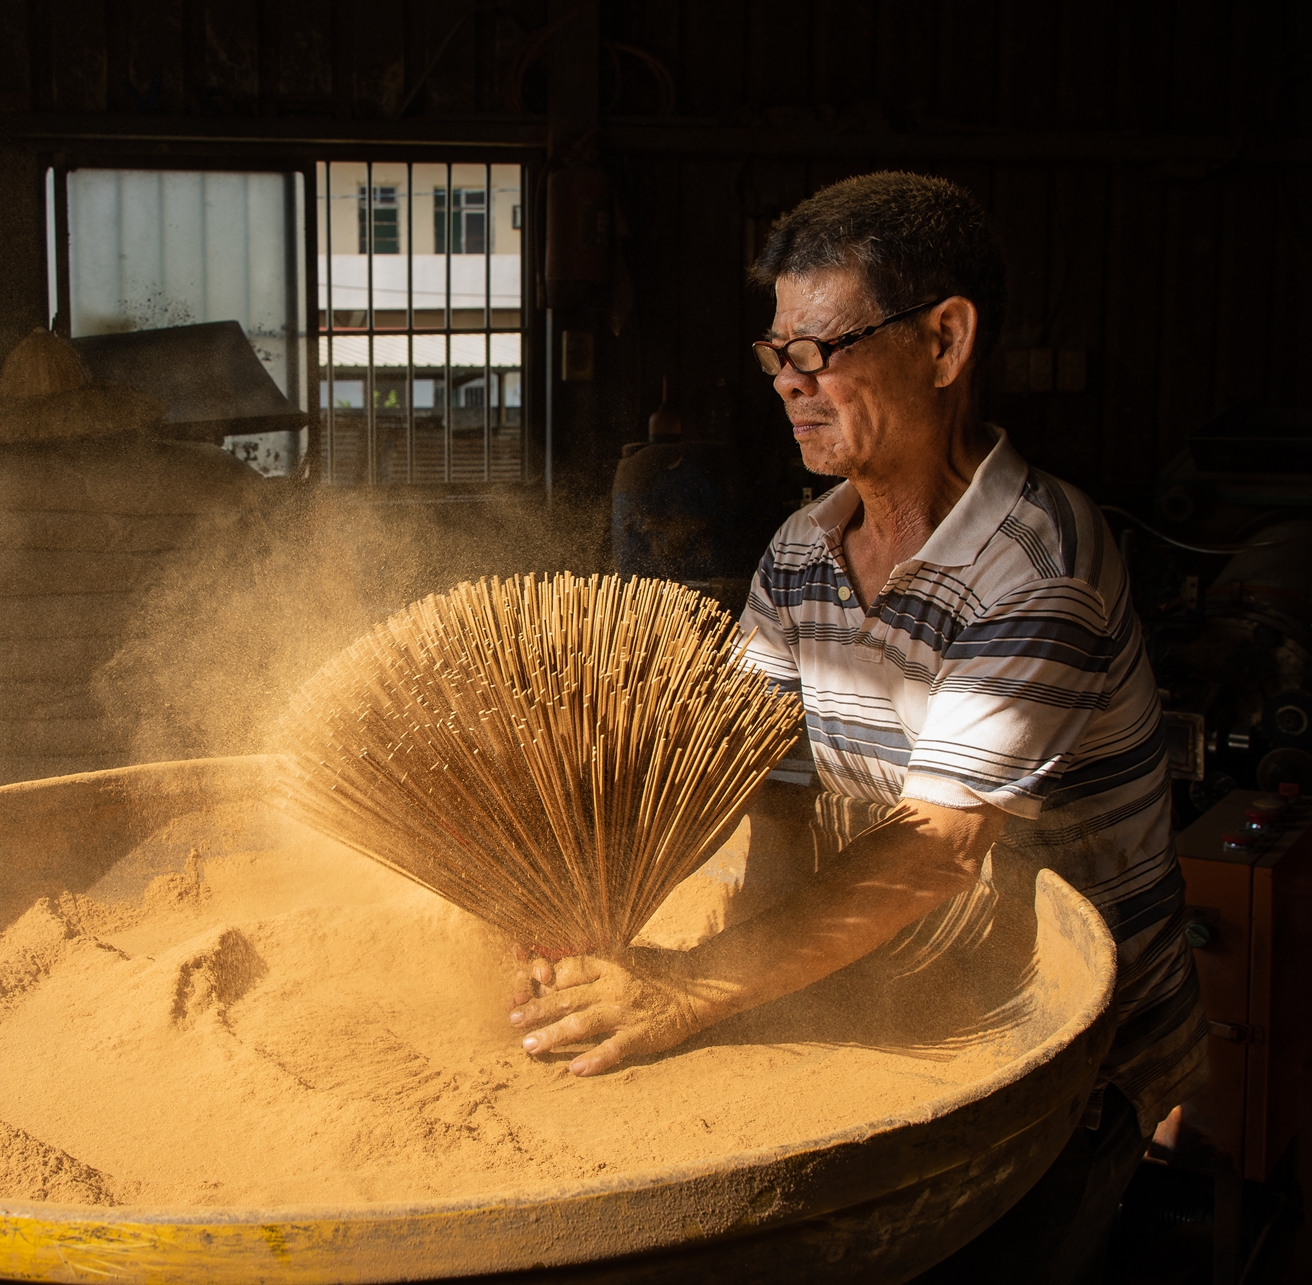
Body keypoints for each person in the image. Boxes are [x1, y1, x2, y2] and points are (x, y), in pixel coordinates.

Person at [509, 171, 1209, 1281]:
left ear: (943, 341)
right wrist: (595, 895)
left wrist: (691, 987)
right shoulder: (800, 555)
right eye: (776, 354)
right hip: (907, 970)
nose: (789, 385)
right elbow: (762, 790)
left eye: (821, 350)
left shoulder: (1037, 567)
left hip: (1066, 1044)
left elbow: (937, 847)